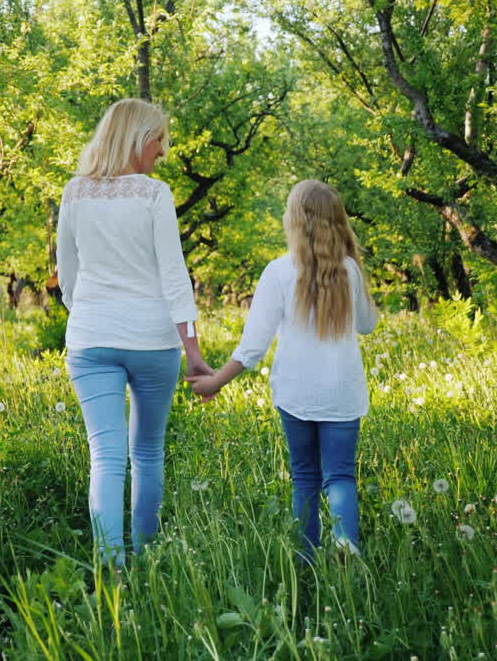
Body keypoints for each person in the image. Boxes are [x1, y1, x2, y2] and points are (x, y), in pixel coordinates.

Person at [57, 98, 212, 566]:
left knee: (105, 456)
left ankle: (110, 566)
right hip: (151, 340)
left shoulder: (74, 192)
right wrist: (195, 353)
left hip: (91, 339)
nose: (162, 151)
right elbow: (174, 275)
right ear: (139, 138)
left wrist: (88, 313)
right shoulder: (153, 194)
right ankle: (146, 556)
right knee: (146, 451)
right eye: (159, 139)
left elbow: (68, 274)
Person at [190, 179, 377, 558]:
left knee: (305, 478)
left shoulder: (278, 271)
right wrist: (354, 266)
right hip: (342, 393)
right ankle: (346, 550)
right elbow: (367, 325)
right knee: (340, 476)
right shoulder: (348, 271)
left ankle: (306, 561)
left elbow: (253, 346)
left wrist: (217, 381)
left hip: (295, 394)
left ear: (295, 221)